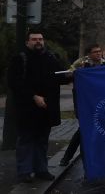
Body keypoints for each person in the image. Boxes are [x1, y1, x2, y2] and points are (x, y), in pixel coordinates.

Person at [8, 32, 70, 183]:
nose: (38, 42)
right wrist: (33, 96)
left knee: (42, 140)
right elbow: (14, 82)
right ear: (27, 42)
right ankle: (25, 171)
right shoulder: (19, 59)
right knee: (26, 140)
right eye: (34, 39)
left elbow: (60, 77)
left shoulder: (51, 57)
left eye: (40, 39)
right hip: (27, 109)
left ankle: (41, 169)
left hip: (47, 109)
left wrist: (72, 75)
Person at [60, 44, 105, 167]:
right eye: (95, 52)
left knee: (95, 128)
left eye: (99, 51)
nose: (98, 53)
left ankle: (93, 157)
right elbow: (68, 75)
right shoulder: (80, 62)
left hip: (100, 100)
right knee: (84, 128)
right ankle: (70, 157)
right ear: (89, 54)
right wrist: (77, 72)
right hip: (83, 100)